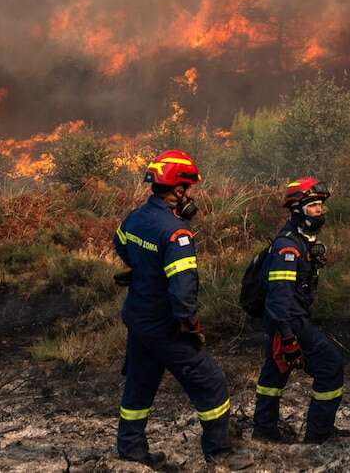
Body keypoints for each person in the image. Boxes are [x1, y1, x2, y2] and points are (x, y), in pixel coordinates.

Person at [112, 150, 248, 468]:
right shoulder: (177, 233)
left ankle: (131, 449)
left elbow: (121, 245)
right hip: (166, 326)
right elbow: (182, 288)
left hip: (138, 321)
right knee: (211, 382)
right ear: (178, 190)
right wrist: (188, 323)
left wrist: (143, 271)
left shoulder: (134, 218)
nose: (190, 196)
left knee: (140, 384)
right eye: (188, 189)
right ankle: (220, 453)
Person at [252, 176, 349, 444]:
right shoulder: (288, 248)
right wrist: (289, 338)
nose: (319, 210)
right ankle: (319, 434)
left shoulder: (298, 241)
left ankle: (264, 429)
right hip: (289, 322)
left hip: (283, 321)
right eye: (312, 205)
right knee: (331, 367)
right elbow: (278, 299)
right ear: (297, 210)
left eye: (320, 205)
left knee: (274, 374)